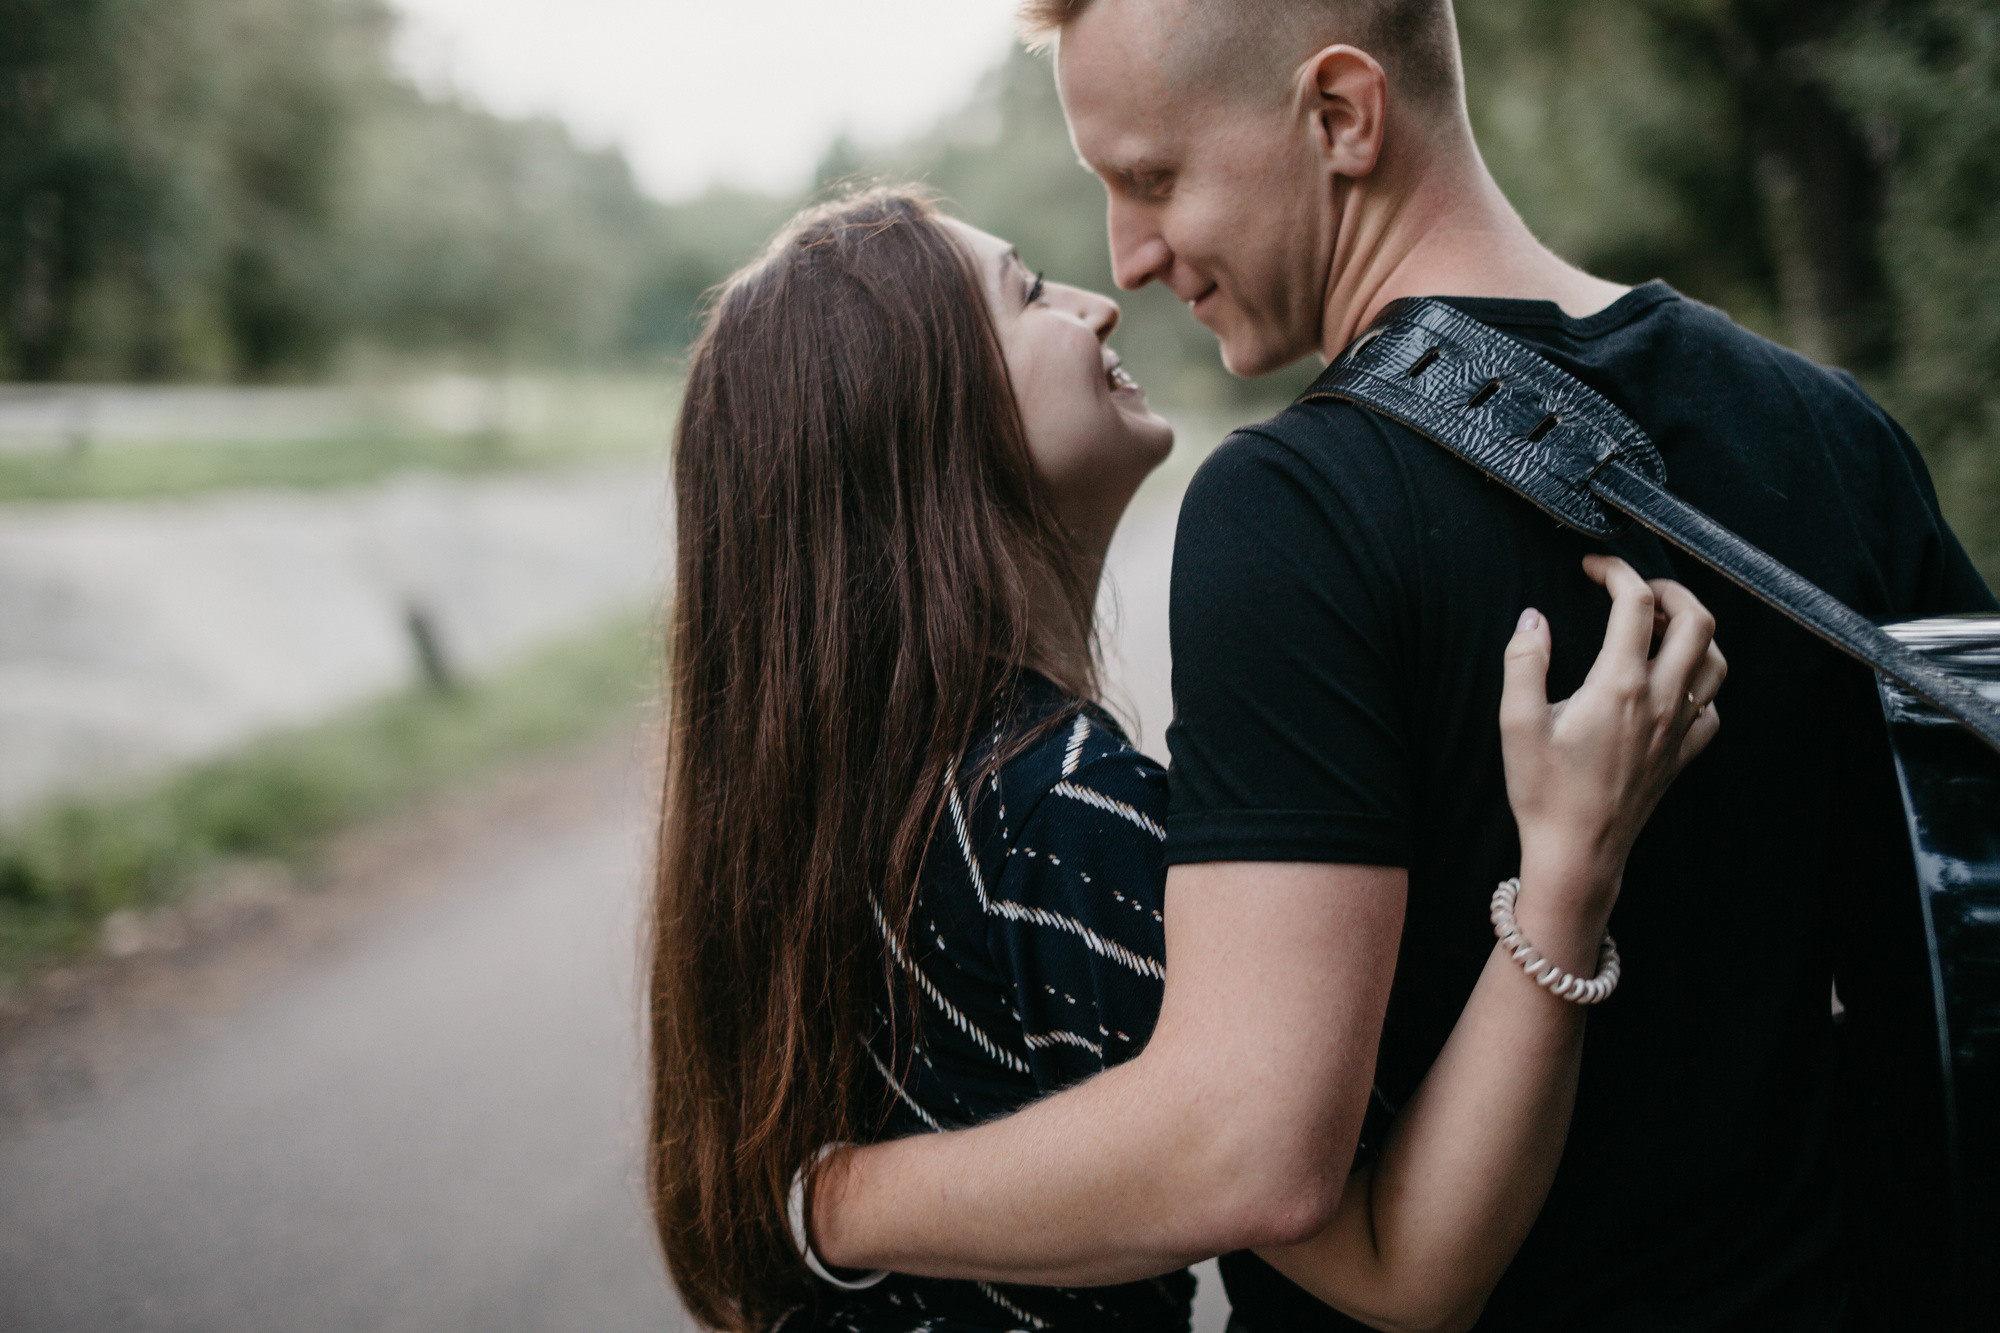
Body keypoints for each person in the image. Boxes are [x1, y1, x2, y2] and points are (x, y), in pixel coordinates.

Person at [805, 3, 2000, 1331]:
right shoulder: (1840, 437)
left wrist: (826, 1200)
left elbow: (1246, 1147)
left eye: (1152, 179)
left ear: (1341, 117)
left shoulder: (1294, 513)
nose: (1129, 257)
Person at [649, 187, 1724, 1333]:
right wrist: (1567, 874)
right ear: (920, 418)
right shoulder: (1055, 812)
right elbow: (1400, 1264)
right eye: (1027, 294)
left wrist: (832, 1203)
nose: (1097, 306)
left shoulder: (859, 803)